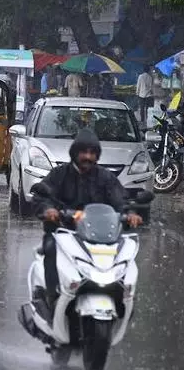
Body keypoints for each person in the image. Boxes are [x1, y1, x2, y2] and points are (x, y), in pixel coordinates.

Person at [34, 129, 143, 322]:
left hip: (99, 236)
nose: (88, 157)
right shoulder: (59, 174)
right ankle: (53, 297)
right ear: (75, 153)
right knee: (50, 247)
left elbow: (121, 200)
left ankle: (125, 300)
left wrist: (131, 214)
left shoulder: (105, 177)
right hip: (65, 232)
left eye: (92, 153)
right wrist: (49, 210)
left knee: (126, 256)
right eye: (84, 152)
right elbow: (44, 195)